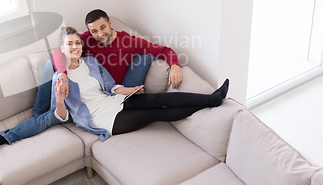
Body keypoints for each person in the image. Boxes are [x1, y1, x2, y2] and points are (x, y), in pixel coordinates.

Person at [0, 9, 184, 150]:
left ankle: (15, 130)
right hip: (87, 92)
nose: (99, 34)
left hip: (108, 91)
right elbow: (59, 54)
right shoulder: (86, 39)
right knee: (51, 68)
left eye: (103, 28)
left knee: (144, 58)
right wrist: (61, 73)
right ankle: (17, 128)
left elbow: (163, 50)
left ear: (110, 23)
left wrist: (174, 64)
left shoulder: (129, 41)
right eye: (94, 30)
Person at [52, 27, 229, 140]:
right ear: (61, 49)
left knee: (156, 99)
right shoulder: (59, 79)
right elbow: (62, 116)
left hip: (112, 101)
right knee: (154, 114)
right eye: (69, 44)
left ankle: (211, 99)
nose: (75, 46)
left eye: (77, 43)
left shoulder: (90, 62)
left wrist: (132, 90)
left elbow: (110, 87)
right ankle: (209, 102)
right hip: (100, 118)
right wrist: (60, 99)